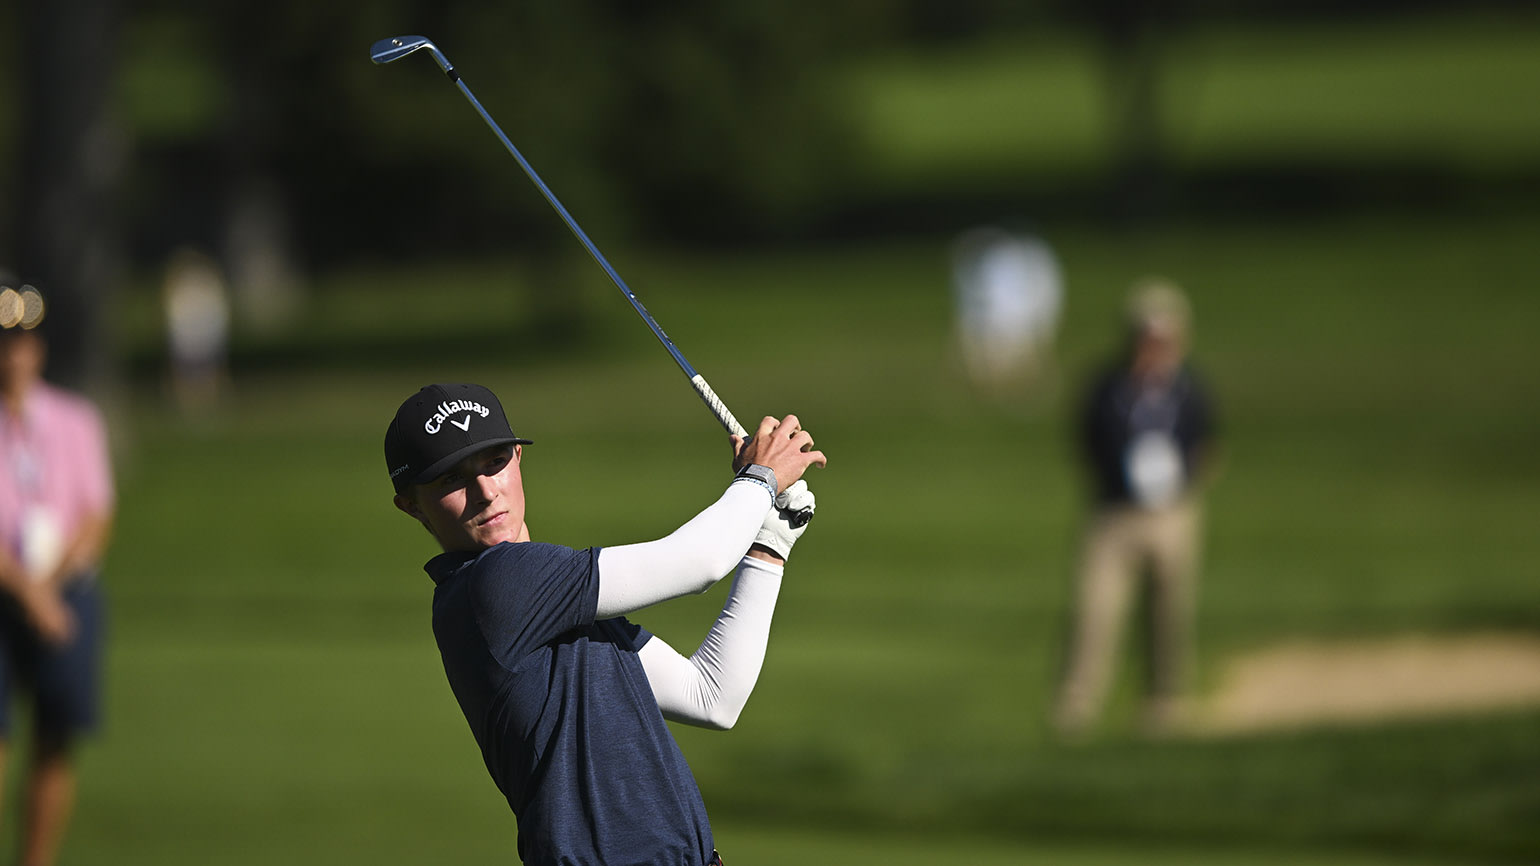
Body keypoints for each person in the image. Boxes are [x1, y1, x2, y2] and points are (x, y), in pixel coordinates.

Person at [385, 382, 826, 866]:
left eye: (493, 463)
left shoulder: (555, 605)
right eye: (452, 478)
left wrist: (768, 546)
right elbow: (698, 562)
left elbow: (711, 696)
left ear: (517, 457)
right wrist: (762, 478)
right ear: (411, 504)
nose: (486, 493)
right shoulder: (497, 585)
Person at [1054, 278, 1217, 737]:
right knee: (1095, 611)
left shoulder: (1190, 390)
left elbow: (1208, 445)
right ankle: (1077, 706)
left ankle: (1166, 702)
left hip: (1172, 514)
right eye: (1148, 336)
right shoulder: (1107, 388)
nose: (1155, 347)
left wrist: (1182, 485)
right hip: (1114, 514)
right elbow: (1086, 442)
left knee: (1170, 613)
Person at [0, 280, 115, 866]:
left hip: (67, 592)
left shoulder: (75, 420)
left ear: (39, 348)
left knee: (54, 741)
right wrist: (26, 591)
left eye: (22, 342)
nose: (12, 355)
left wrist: (48, 589)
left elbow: (95, 516)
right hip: (4, 596)